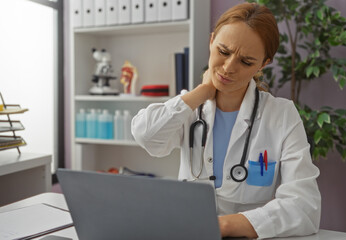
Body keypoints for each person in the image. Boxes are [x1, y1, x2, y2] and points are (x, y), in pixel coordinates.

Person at [131, 2, 321, 239]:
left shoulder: (281, 115)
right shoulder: (190, 108)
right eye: (223, 51)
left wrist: (222, 226)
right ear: (211, 42)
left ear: (264, 64)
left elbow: (304, 207)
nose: (229, 67)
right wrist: (201, 92)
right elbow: (146, 136)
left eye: (246, 62)